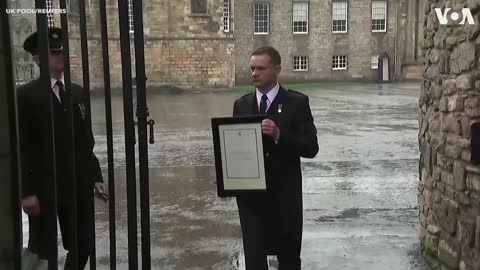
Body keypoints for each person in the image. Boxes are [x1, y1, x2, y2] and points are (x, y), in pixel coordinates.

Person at [17, 27, 108, 269]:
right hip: (43, 187)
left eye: (62, 51)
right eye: (54, 52)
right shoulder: (25, 96)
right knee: (42, 250)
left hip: (76, 183)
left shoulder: (77, 93)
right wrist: (26, 192)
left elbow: (85, 142)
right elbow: (22, 148)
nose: (61, 56)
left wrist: (95, 177)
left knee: (83, 245)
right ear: (37, 60)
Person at [232, 46, 319, 270]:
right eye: (252, 68)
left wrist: (281, 135)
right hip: (251, 198)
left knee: (289, 259)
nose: (254, 73)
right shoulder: (241, 105)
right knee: (254, 260)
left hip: (284, 197)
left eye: (260, 68)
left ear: (277, 70)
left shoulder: (297, 103)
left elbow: (311, 148)